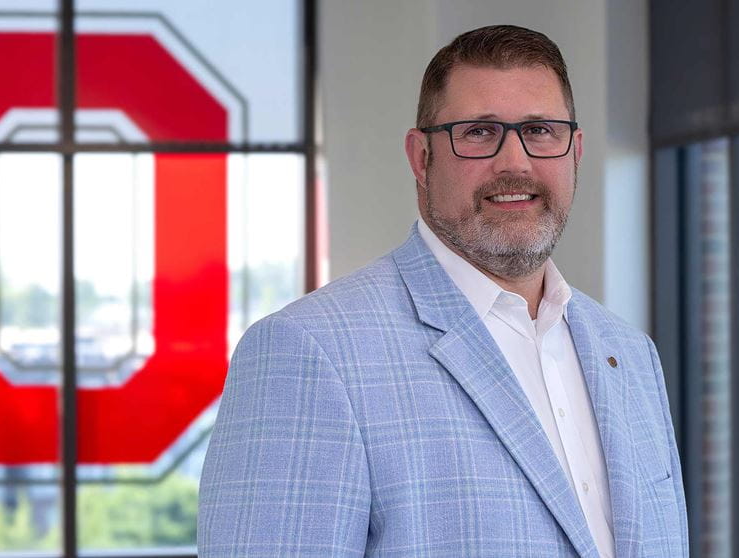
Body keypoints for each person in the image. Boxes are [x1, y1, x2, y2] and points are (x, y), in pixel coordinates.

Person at [198, 25, 687, 557]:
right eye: (479, 132)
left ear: (576, 151)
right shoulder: (310, 353)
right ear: (421, 157)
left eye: (540, 130)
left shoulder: (630, 354)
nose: (515, 162)